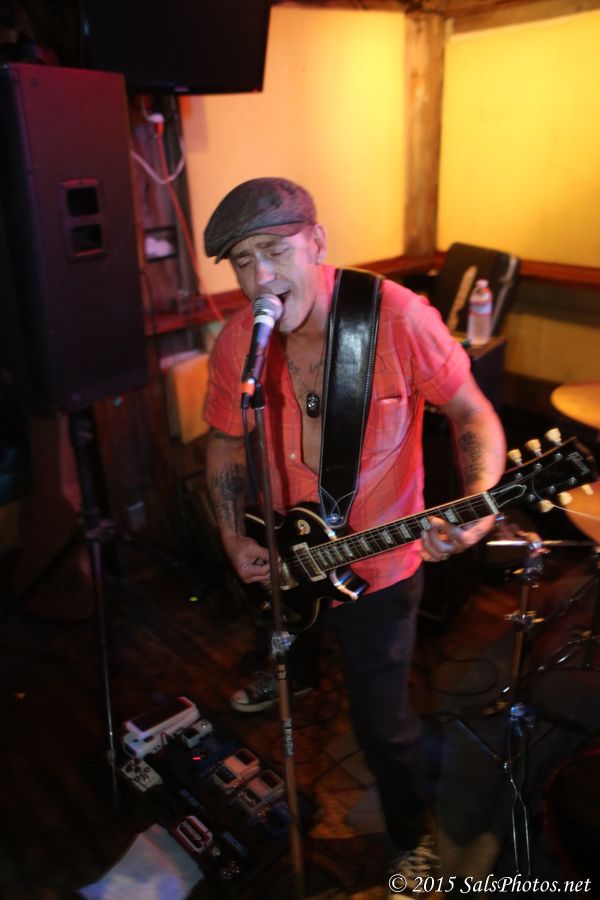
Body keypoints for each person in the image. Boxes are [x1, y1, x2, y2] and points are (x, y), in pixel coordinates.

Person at [202, 177, 506, 882]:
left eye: (275, 250)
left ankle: (410, 836)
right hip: (282, 550)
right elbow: (223, 439)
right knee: (288, 643)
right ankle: (294, 667)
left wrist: (480, 501)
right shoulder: (241, 342)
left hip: (379, 565)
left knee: (382, 723)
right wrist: (231, 536)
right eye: (243, 261)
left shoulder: (397, 317)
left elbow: (471, 411)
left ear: (317, 242)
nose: (261, 277)